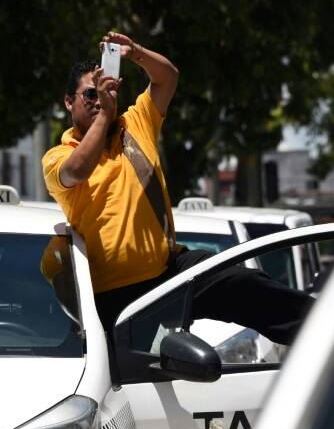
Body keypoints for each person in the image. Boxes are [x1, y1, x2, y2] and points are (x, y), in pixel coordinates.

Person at [42, 31, 312, 345]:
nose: (99, 100)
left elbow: (168, 78)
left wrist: (137, 53)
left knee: (242, 282)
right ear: (68, 102)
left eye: (109, 90)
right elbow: (77, 170)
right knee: (126, 382)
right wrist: (105, 113)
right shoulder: (58, 156)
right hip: (113, 298)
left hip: (167, 275)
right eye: (91, 95)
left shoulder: (135, 124)